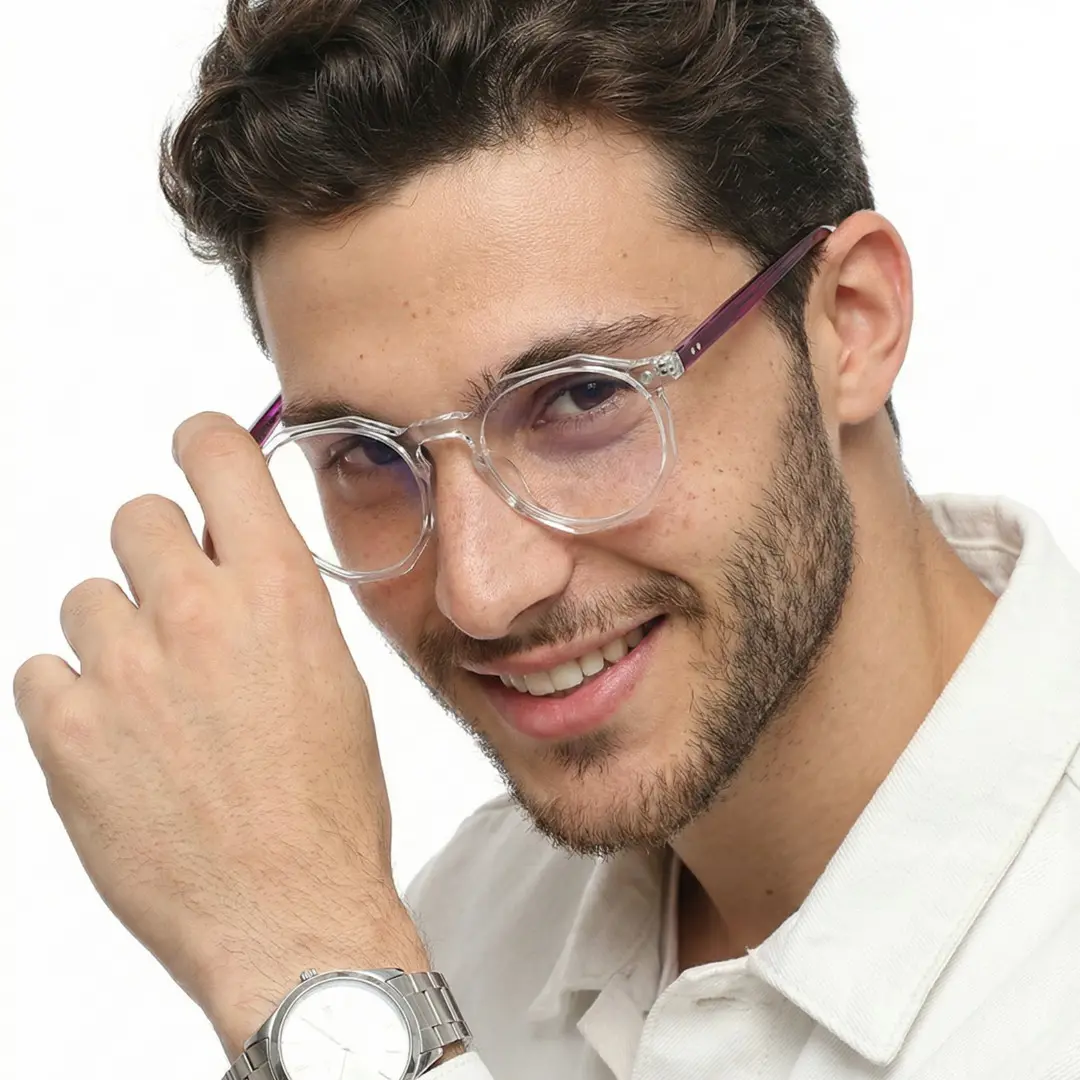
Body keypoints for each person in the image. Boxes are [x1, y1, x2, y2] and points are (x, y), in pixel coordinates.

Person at [13, 0, 1080, 1077]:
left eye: (579, 398)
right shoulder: (470, 927)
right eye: (369, 457)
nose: (481, 589)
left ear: (850, 320)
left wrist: (318, 975)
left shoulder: (364, 969)